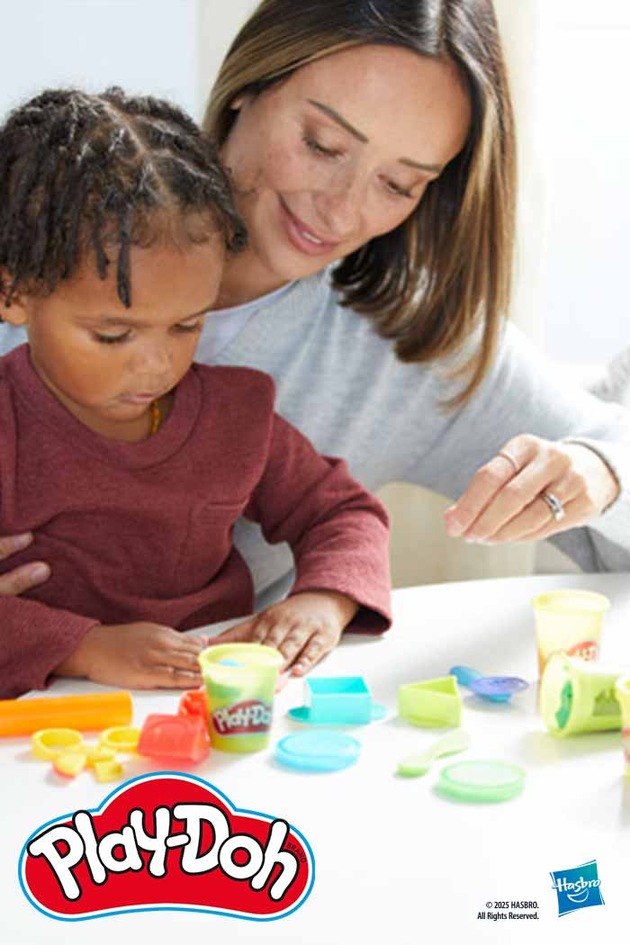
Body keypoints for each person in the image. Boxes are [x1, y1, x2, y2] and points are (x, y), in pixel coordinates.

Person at [1, 0, 629, 667]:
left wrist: (600, 472)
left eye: (399, 182)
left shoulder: (406, 338)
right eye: (323, 145)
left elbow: (345, 515)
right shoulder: (46, 220)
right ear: (250, 84)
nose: (342, 209)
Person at [0, 87, 391, 699]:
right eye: (113, 335)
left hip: (215, 714)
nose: (158, 365)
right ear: (15, 295)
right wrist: (83, 647)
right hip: (46, 737)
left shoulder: (236, 417)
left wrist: (325, 598)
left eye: (188, 324)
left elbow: (343, 513)